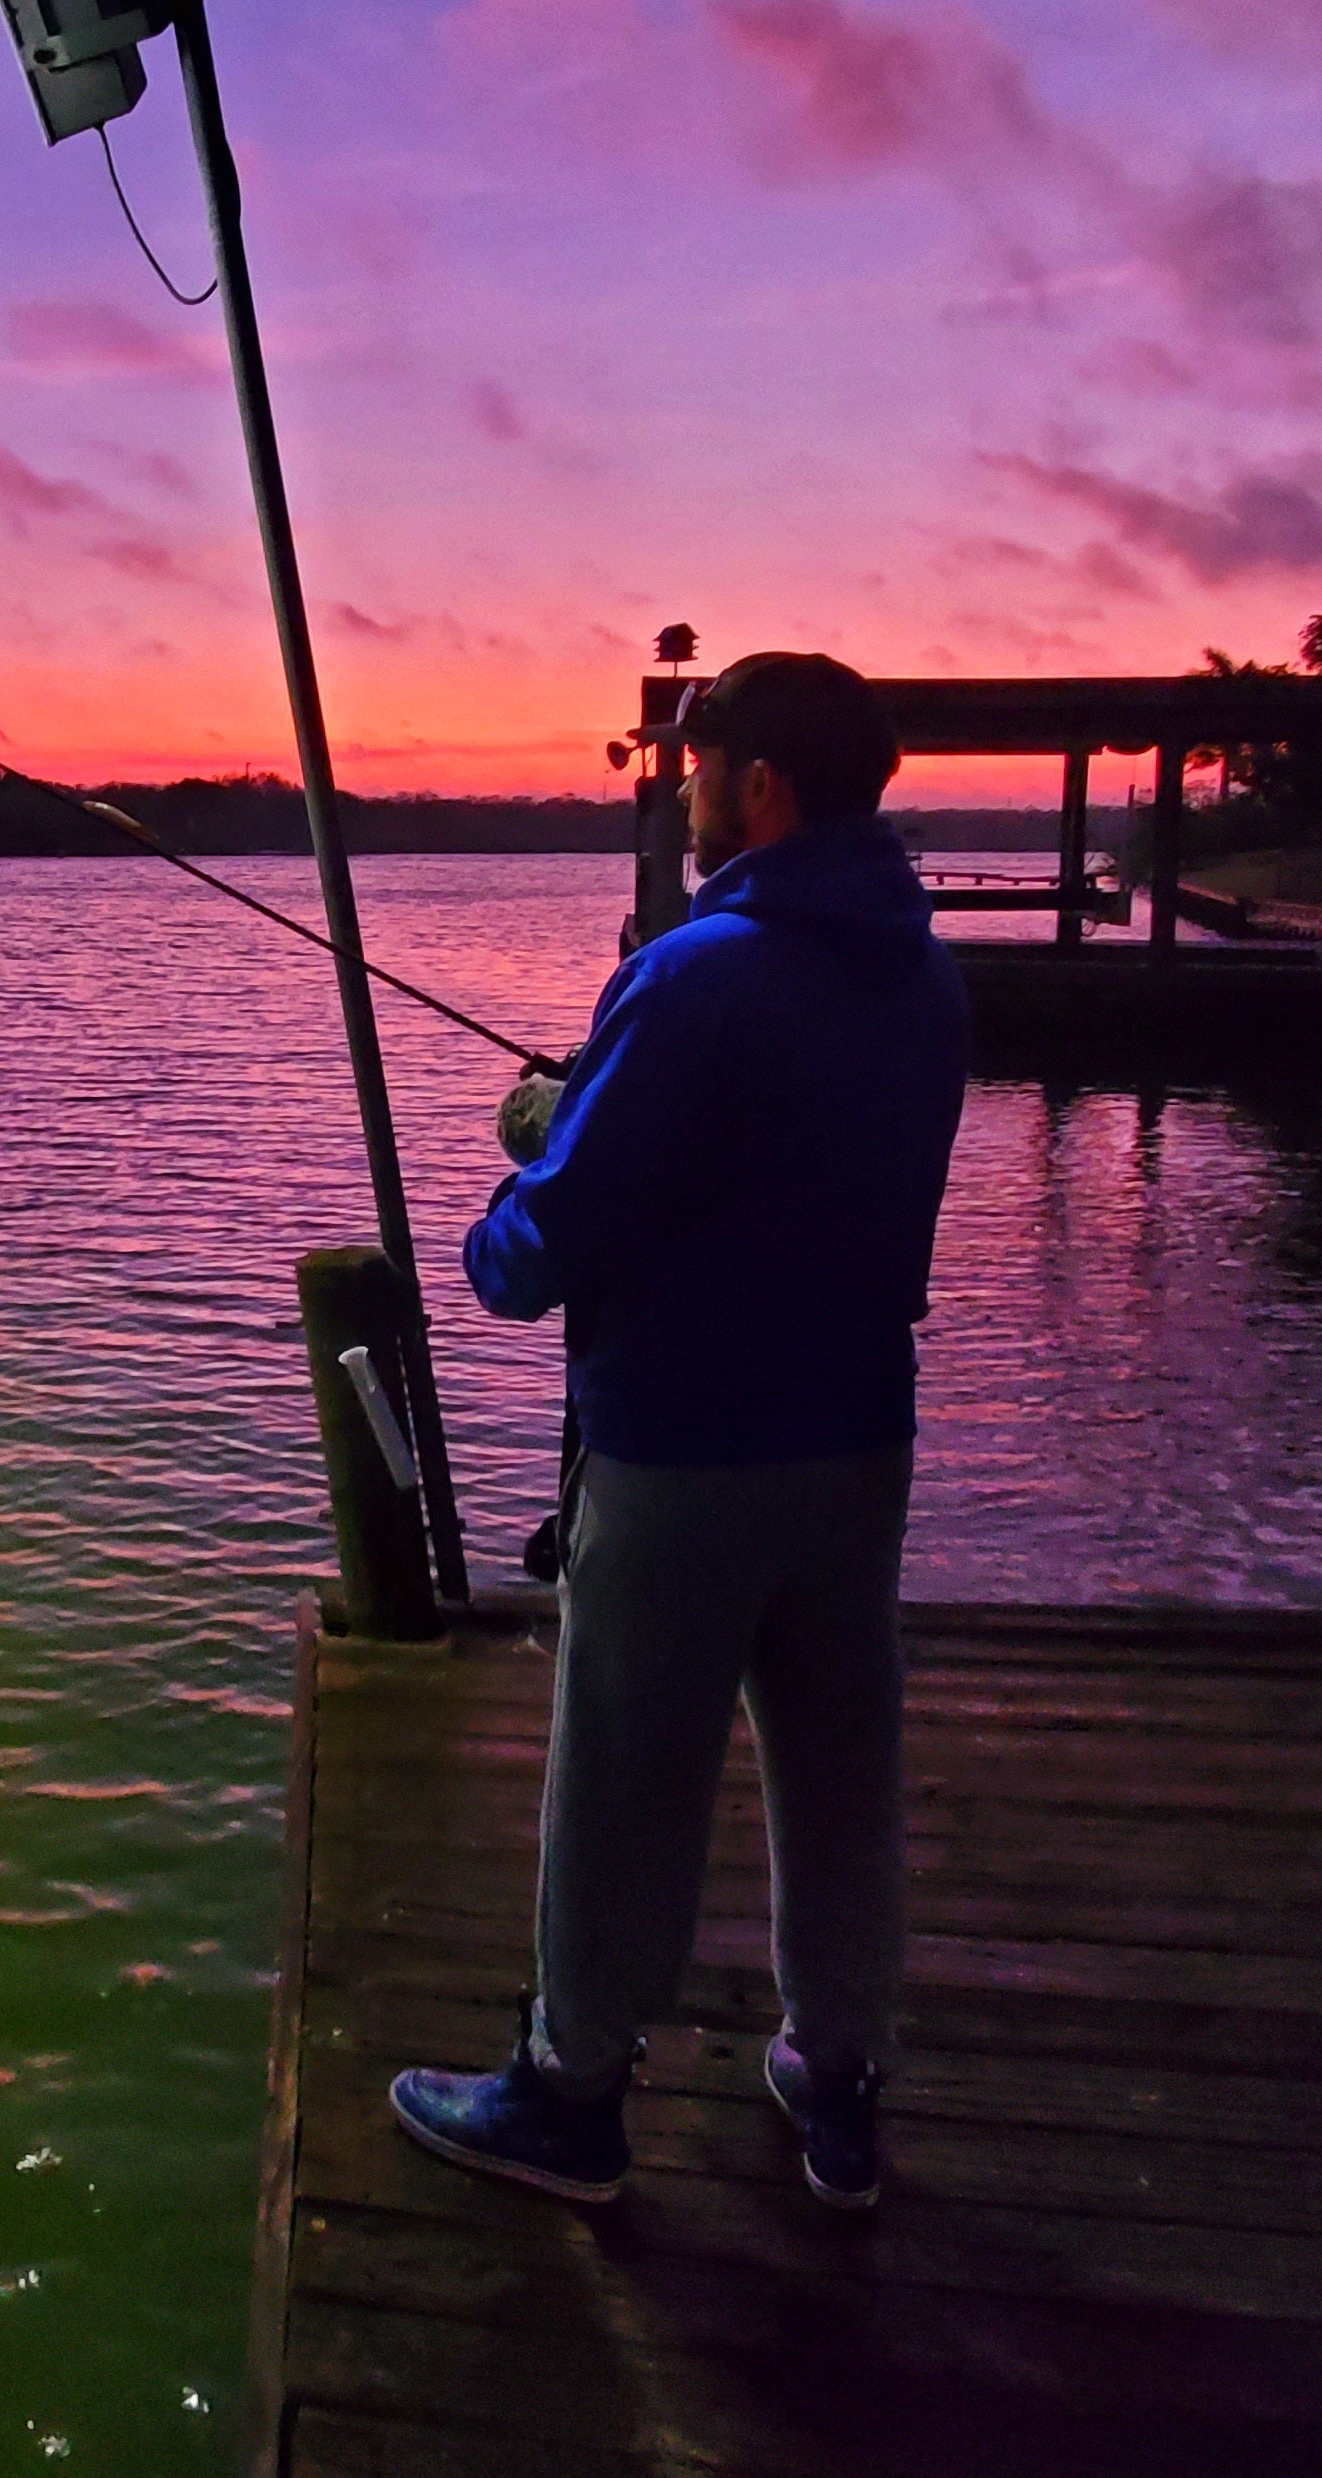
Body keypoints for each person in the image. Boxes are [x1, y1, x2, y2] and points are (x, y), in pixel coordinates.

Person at [391, 650, 969, 2211]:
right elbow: (790, 1161)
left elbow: (559, 1238)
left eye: (694, 771)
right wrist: (591, 1106)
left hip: (683, 1448)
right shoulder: (926, 975)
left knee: (626, 1775)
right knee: (841, 1763)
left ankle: (569, 2094)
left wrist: (506, 1198)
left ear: (758, 784)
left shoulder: (698, 976)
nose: (685, 797)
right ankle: (836, 2077)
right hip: (859, 1440)